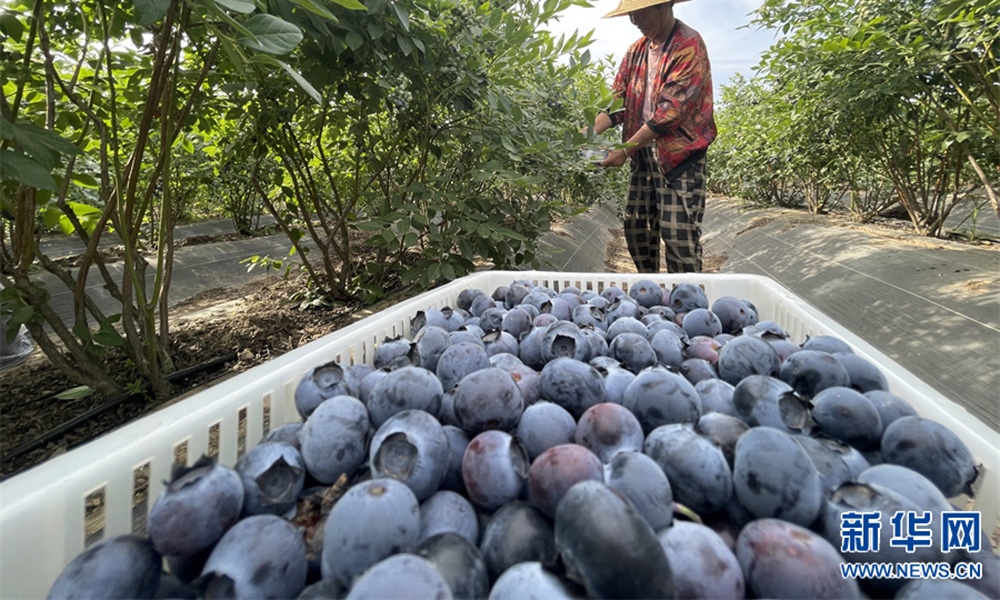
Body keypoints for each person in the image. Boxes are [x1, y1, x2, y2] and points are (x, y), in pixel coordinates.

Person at [584, 0, 716, 273]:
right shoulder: (637, 51)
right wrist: (587, 132)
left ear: (663, 6)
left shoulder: (688, 45)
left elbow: (670, 112)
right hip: (642, 151)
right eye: (631, 15)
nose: (635, 21)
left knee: (678, 236)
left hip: (679, 156)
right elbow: (617, 101)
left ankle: (686, 295)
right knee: (637, 227)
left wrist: (624, 150)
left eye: (640, 13)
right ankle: (650, 288)